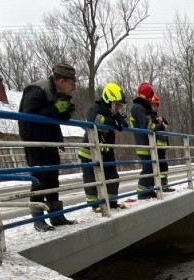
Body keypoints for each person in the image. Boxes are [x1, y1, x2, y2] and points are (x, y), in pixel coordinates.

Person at [18, 62, 77, 231]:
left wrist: (65, 110)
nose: (73, 88)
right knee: (39, 180)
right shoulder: (37, 90)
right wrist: (55, 109)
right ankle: (38, 219)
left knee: (52, 178)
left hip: (49, 141)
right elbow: (28, 117)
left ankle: (56, 216)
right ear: (60, 80)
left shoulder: (55, 91)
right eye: (72, 83)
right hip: (36, 142)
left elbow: (56, 114)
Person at [77, 82, 128, 212]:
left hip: (106, 151)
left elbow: (125, 123)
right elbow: (93, 119)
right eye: (116, 104)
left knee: (112, 176)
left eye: (119, 105)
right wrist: (112, 122)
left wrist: (115, 122)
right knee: (91, 178)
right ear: (108, 100)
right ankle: (95, 205)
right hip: (90, 150)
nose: (118, 108)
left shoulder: (113, 113)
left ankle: (112, 202)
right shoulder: (96, 108)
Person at [130, 82, 159, 200]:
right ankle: (142, 192)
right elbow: (148, 126)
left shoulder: (140, 107)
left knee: (151, 167)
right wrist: (161, 127)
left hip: (146, 142)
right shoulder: (139, 108)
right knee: (147, 167)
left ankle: (149, 189)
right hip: (142, 143)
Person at [150, 94, 175, 193]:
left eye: (156, 105)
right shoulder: (151, 117)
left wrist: (162, 122)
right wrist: (161, 124)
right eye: (153, 105)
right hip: (156, 145)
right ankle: (160, 185)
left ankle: (164, 184)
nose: (155, 107)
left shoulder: (158, 117)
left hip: (162, 145)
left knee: (163, 165)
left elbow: (167, 125)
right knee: (160, 165)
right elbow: (158, 126)